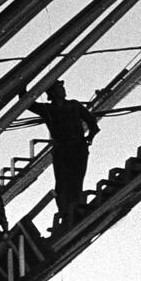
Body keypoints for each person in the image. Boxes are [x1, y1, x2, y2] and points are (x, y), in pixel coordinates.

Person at [27, 80, 100, 228]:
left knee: (76, 181)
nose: (64, 90)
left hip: (76, 147)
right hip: (64, 149)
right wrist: (23, 87)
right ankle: (65, 212)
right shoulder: (48, 109)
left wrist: (89, 138)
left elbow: (92, 122)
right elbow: (28, 103)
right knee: (62, 183)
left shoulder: (73, 105)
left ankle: (75, 211)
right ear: (53, 93)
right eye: (60, 88)